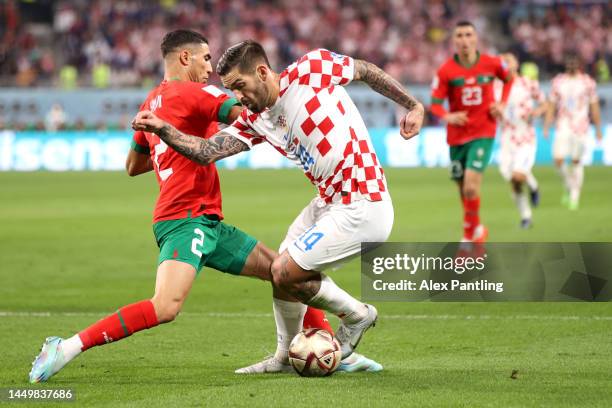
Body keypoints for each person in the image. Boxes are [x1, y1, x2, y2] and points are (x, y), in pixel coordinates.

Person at [28, 30, 380, 384]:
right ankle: (67, 346)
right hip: (185, 219)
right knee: (165, 306)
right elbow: (250, 109)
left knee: (283, 270)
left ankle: (328, 348)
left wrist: (172, 141)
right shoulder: (195, 91)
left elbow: (133, 166)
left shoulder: (150, 103)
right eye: (206, 58)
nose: (211, 69)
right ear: (185, 58)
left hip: (207, 221)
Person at [132, 40, 424, 373]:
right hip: (328, 202)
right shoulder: (257, 119)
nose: (238, 97)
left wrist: (412, 104)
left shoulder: (310, 70)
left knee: (286, 270)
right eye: (231, 90)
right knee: (279, 272)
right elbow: (205, 151)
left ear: (262, 72)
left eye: (240, 86)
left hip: (363, 201)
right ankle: (285, 356)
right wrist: (164, 129)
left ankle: (357, 314)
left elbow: (365, 70)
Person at [430, 21, 512, 242]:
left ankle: (468, 239)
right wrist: (447, 116)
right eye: (459, 35)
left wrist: (502, 103)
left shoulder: (492, 63)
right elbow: (435, 103)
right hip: (457, 136)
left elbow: (509, 78)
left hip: (483, 131)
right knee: (463, 189)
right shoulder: (446, 70)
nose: (464, 40)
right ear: (454, 41)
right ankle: (477, 229)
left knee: (470, 187)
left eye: (468, 34)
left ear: (476, 38)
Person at [543, 53, 602, 210]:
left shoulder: (588, 82)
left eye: (574, 62)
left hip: (581, 126)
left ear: (579, 64)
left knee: (576, 160)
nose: (571, 65)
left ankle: (575, 196)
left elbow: (594, 106)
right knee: (558, 160)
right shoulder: (558, 82)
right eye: (569, 62)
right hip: (563, 124)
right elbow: (551, 104)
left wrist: (597, 128)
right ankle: (570, 186)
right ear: (565, 64)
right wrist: (547, 125)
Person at [496, 53, 546, 228]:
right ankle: (527, 213)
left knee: (518, 176)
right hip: (506, 140)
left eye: (508, 61)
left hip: (525, 137)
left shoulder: (528, 83)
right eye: (502, 62)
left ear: (516, 64)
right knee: (513, 180)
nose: (506, 65)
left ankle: (526, 214)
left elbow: (544, 103)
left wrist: (537, 112)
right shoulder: (495, 86)